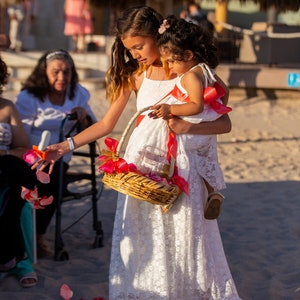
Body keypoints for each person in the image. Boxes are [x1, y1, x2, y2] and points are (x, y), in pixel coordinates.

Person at [34, 6, 239, 299]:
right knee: (144, 239)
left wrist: (186, 128)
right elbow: (106, 123)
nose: (134, 55)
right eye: (129, 49)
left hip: (180, 169)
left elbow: (224, 121)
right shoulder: (136, 75)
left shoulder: (189, 71)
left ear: (159, 36)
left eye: (139, 46)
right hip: (141, 169)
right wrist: (65, 146)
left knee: (183, 238)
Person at [127, 14, 232, 219]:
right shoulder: (206, 70)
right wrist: (217, 107)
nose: (171, 67)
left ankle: (169, 189)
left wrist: (170, 109)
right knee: (206, 160)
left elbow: (195, 105)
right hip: (207, 125)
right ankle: (213, 192)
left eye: (173, 62)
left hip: (192, 124)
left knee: (173, 152)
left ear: (188, 55)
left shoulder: (191, 76)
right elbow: (225, 90)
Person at [15, 49, 97, 258]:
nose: (62, 77)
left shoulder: (77, 94)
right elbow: (20, 134)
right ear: (44, 72)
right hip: (30, 154)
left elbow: (93, 128)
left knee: (52, 181)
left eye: (66, 72)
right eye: (56, 72)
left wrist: (83, 116)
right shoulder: (30, 97)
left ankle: (39, 235)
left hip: (59, 158)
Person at [0, 55, 37, 287]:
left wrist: (3, 153)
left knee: (15, 184)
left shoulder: (7, 107)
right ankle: (12, 256)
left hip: (4, 165)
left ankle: (19, 261)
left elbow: (23, 147)